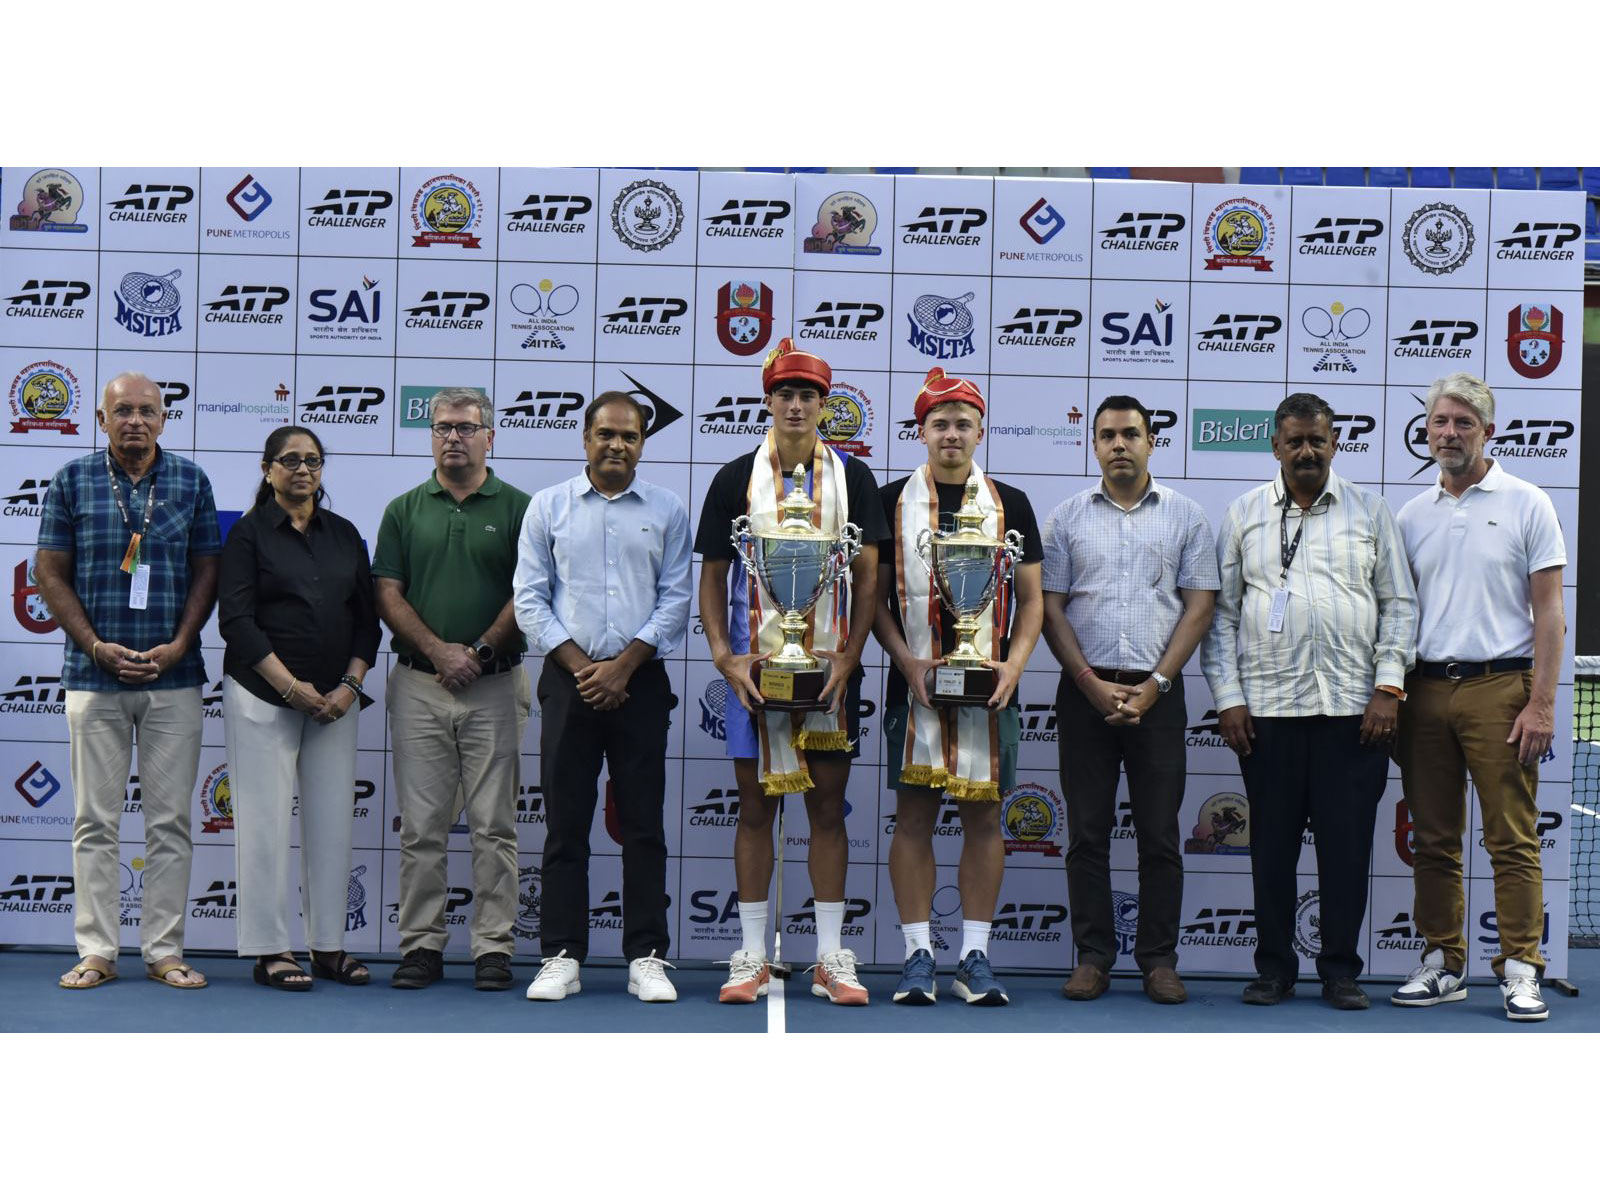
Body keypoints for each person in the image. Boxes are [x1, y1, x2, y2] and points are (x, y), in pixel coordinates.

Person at [1201, 392, 1416, 1010]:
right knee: (1271, 852)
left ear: (1334, 444)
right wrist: (1228, 700)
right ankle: (1274, 969)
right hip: (1268, 714)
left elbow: (1399, 606)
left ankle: (1340, 971)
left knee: (1346, 852)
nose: (1306, 451)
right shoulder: (1244, 514)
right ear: (1275, 445)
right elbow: (1222, 617)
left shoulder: (1371, 512)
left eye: (1317, 440)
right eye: (1294, 441)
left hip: (1354, 713)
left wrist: (1388, 688)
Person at [695, 338, 887, 1004]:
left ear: (824, 405)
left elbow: (870, 577)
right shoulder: (734, 478)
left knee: (828, 809)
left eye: (808, 395)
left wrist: (851, 654)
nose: (797, 405)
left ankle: (831, 955)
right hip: (754, 673)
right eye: (786, 394)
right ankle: (751, 953)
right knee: (755, 809)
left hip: (829, 671)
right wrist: (722, 655)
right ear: (769, 401)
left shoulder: (854, 479)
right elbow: (713, 576)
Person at [33, 371, 220, 990]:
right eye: (122, 411)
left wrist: (181, 644)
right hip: (93, 677)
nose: (135, 420)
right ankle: (97, 950)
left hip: (175, 676)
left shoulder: (191, 480)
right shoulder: (72, 480)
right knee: (94, 821)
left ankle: (164, 950)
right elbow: (49, 573)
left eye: (146, 410)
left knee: (170, 823)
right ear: (101, 419)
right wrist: (93, 646)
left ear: (164, 418)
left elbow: (208, 570)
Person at [1389, 373, 1565, 1021]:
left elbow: (1551, 613)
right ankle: (1443, 962)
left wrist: (1541, 703)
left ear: (1487, 432)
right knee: (1434, 840)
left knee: (1511, 839)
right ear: (1426, 431)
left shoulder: (1528, 503)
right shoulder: (1410, 516)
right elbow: (1397, 614)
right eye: (1440, 422)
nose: (1450, 433)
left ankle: (1520, 969)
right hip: (1424, 691)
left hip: (1502, 690)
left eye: (1464, 422)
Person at [513, 392, 691, 1003]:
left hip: (641, 682)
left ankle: (646, 956)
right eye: (606, 434)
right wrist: (587, 669)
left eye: (630, 436)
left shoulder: (667, 508)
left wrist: (623, 668)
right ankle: (561, 955)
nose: (617, 445)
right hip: (570, 682)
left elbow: (676, 599)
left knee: (643, 825)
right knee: (565, 825)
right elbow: (530, 599)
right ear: (585, 439)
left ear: (643, 443)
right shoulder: (548, 506)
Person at [1041, 395, 1218, 1005]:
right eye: (1108, 435)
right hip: (1084, 693)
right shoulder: (1066, 518)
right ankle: (1093, 957)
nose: (1119, 444)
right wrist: (1088, 683)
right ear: (1094, 444)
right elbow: (1051, 608)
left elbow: (1200, 607)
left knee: (1160, 835)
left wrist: (1157, 684)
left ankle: (1159, 960)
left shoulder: (1186, 516)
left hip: (1158, 693)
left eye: (1131, 434)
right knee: (1086, 833)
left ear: (1151, 442)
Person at [874, 369, 1043, 1006]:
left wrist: (1014, 666)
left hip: (990, 686)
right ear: (921, 432)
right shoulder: (890, 501)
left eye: (963, 424)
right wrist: (906, 663)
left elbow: (1032, 600)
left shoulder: (1011, 504)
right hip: (914, 686)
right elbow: (875, 601)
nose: (951, 433)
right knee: (914, 818)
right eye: (939, 423)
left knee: (984, 817)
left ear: (980, 432)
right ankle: (918, 954)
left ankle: (975, 956)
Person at [373, 388, 533, 991]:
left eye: (466, 428)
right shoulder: (403, 509)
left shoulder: (520, 508)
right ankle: (421, 945)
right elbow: (387, 592)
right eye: (442, 427)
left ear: (490, 437)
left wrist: (480, 650)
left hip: (496, 683)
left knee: (495, 826)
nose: (453, 438)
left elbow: (528, 592)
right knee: (421, 828)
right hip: (420, 684)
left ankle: (493, 948)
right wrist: (441, 651)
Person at [218, 426, 380, 990]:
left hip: (336, 702)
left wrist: (349, 687)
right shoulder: (247, 535)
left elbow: (367, 622)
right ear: (268, 469)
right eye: (290, 460)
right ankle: (270, 950)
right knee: (263, 826)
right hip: (262, 697)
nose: (303, 469)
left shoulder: (345, 534)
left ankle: (328, 947)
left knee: (333, 825)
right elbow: (236, 623)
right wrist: (292, 689)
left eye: (312, 460)